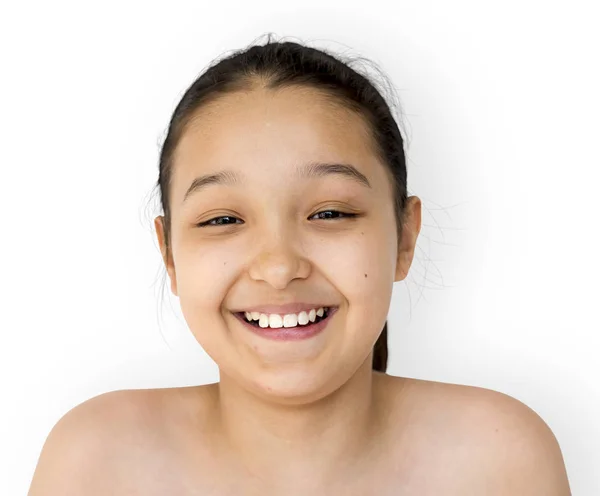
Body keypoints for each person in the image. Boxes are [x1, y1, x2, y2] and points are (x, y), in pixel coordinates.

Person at [28, 35, 571, 495]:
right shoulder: (96, 465)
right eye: (222, 220)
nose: (278, 266)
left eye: (330, 212)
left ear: (405, 236)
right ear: (169, 254)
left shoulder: (499, 462)